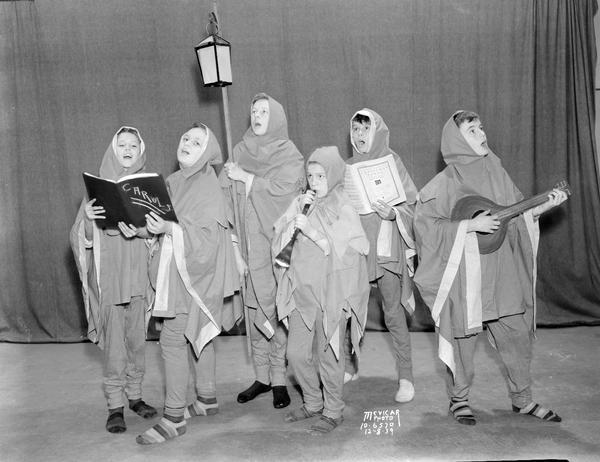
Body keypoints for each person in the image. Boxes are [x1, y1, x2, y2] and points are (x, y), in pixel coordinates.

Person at [413, 110, 568, 425]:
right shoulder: (444, 182)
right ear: (457, 139)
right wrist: (468, 226)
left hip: (502, 273)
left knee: (517, 334)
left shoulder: (497, 170)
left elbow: (515, 213)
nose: (482, 134)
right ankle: (459, 400)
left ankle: (522, 399)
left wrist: (544, 205)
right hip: (467, 279)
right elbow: (426, 228)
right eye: (472, 130)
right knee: (463, 343)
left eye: (481, 127)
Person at [136, 124, 242, 444]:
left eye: (197, 142)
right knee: (199, 337)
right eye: (185, 138)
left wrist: (170, 229)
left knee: (172, 340)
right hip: (178, 270)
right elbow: (166, 224)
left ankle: (174, 417)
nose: (187, 144)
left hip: (194, 278)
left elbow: (206, 241)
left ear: (207, 153)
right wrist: (151, 226)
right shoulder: (174, 181)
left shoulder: (208, 186)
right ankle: (207, 398)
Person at [273, 146, 370, 434]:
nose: (314, 181)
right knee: (296, 353)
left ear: (334, 175)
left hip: (331, 295)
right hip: (303, 293)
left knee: (329, 356)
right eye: (310, 175)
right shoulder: (302, 202)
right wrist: (292, 222)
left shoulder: (343, 205)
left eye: (320, 175)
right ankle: (313, 402)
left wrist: (312, 232)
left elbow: (353, 249)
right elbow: (278, 236)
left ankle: (333, 410)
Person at [70, 126, 157, 434]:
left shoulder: (148, 187)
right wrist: (91, 222)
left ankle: (135, 396)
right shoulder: (95, 189)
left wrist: (146, 231)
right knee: (115, 348)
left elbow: (160, 233)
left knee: (137, 342)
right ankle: (115, 405)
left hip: (138, 279)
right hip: (110, 279)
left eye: (134, 144)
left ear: (141, 150)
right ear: (113, 148)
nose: (128, 149)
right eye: (122, 144)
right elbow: (80, 237)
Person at [221, 93, 305, 409]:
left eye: (264, 111)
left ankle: (280, 379)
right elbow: (224, 200)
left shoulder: (289, 154)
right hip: (248, 249)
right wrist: (234, 250)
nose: (256, 115)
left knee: (275, 309)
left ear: (277, 117)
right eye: (253, 110)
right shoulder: (239, 151)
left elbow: (286, 190)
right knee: (255, 309)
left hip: (277, 251)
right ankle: (262, 377)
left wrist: (249, 179)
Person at [344, 109, 419, 403]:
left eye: (365, 129)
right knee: (349, 309)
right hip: (356, 248)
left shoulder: (393, 161)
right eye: (356, 130)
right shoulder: (347, 166)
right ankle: (350, 366)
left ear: (377, 132)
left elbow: (413, 206)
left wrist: (394, 213)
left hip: (386, 248)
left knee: (393, 312)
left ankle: (406, 377)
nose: (360, 135)